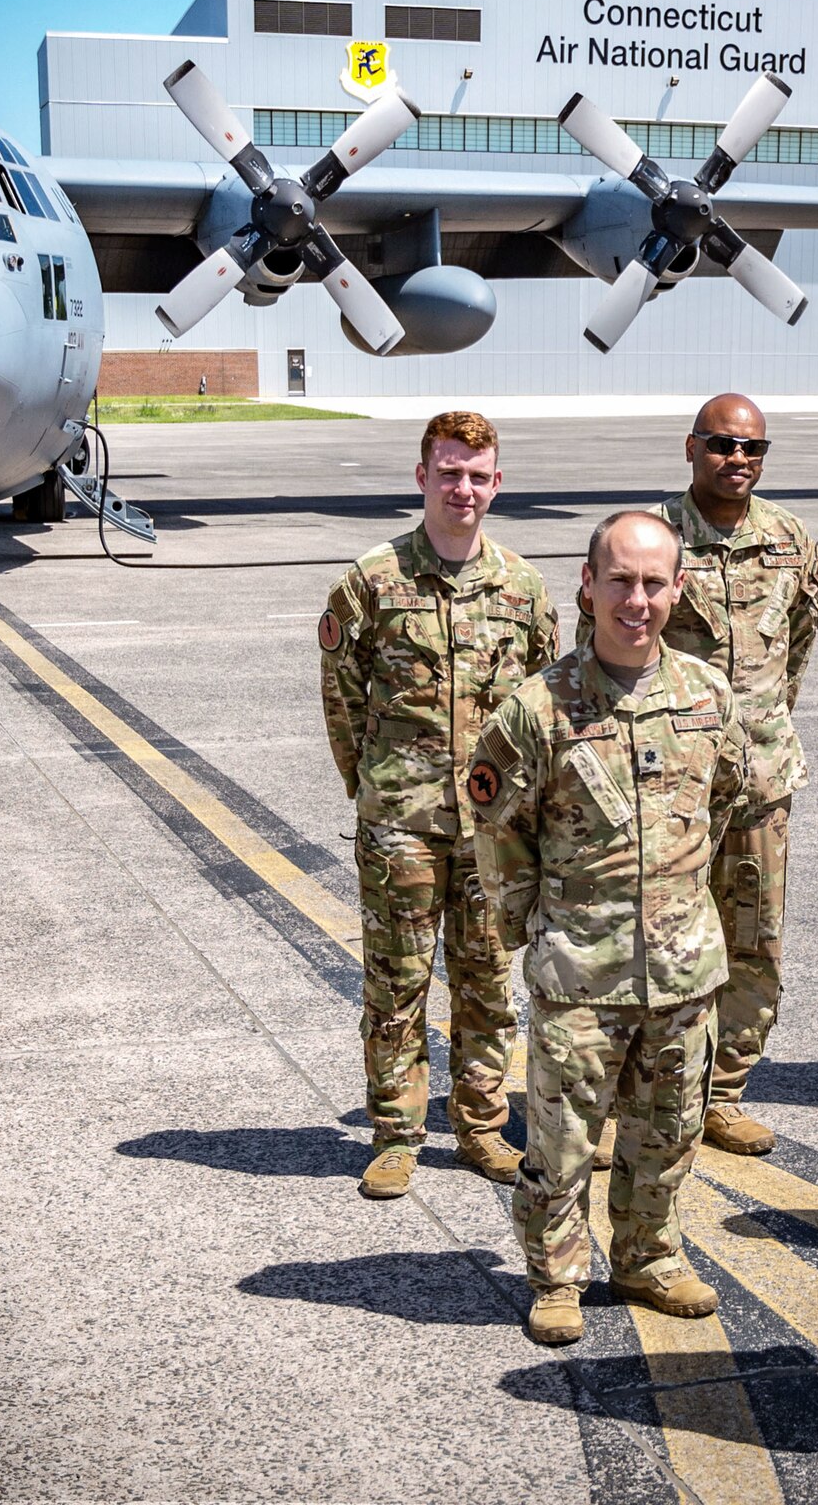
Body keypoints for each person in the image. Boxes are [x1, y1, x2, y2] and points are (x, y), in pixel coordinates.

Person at [469, 511, 749, 1346]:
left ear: (679, 589)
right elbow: (498, 833)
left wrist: (681, 907)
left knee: (668, 1129)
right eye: (620, 580)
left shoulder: (708, 695)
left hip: (683, 967)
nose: (638, 599)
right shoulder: (537, 709)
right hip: (580, 971)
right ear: (586, 585)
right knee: (561, 1140)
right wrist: (539, 928)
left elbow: (722, 803)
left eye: (654, 582)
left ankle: (648, 1255)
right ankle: (557, 1275)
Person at [319, 410, 560, 1200]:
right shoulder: (372, 581)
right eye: (448, 471)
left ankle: (482, 1127)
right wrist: (378, 786)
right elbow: (343, 698)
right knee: (396, 983)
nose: (463, 486)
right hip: (403, 826)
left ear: (498, 482)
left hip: (493, 830)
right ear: (421, 476)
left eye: (477, 473)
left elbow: (544, 708)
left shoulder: (523, 590)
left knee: (488, 983)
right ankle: (395, 1134)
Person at [587, 392, 818, 1157]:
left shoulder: (791, 541)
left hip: (759, 783)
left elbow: (802, 638)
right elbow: (605, 640)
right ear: (690, 448)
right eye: (723, 445)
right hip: (665, 790)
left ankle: (722, 1092)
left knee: (753, 941)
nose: (739, 461)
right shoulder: (654, 540)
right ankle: (631, 1101)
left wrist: (760, 730)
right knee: (650, 944)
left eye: (754, 448)